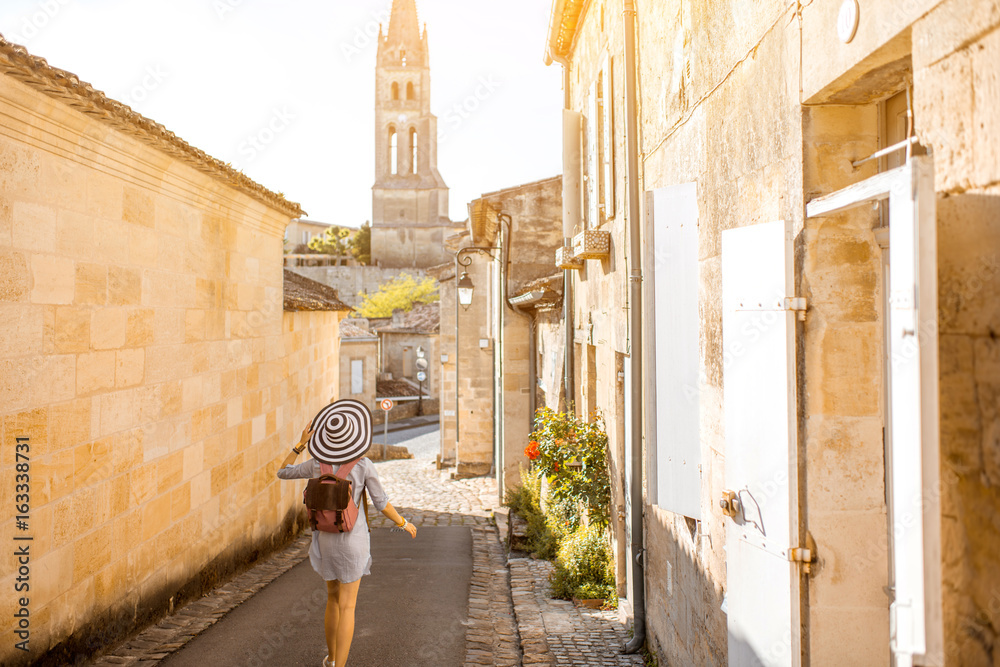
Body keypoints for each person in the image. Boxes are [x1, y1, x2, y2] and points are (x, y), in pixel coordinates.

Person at [276, 399, 417, 667]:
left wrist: (300, 444)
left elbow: (283, 472)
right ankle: (339, 666)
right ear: (355, 436)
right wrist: (402, 523)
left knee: (332, 599)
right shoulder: (362, 465)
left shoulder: (317, 464)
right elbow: (381, 503)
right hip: (354, 541)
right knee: (348, 606)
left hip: (325, 541)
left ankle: (331, 659)